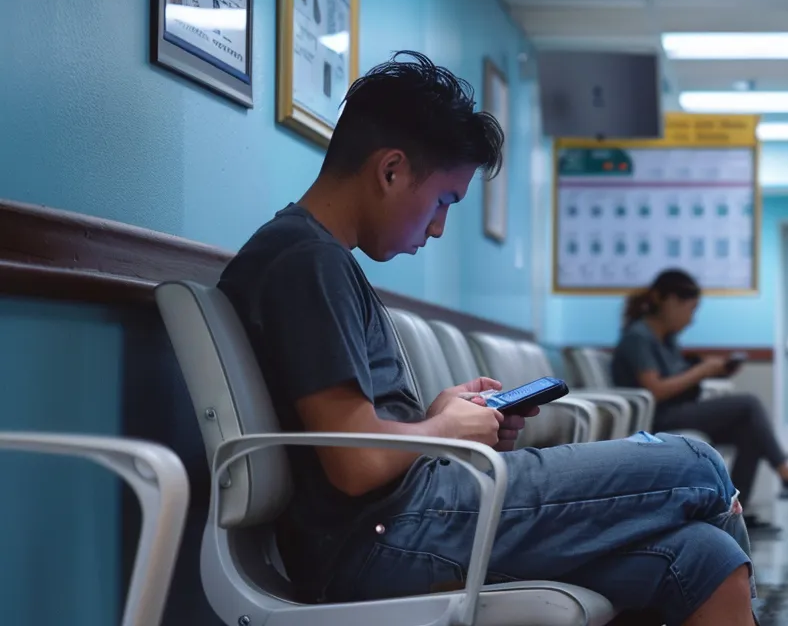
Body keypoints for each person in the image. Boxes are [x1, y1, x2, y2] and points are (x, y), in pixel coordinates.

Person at [217, 51, 756, 626]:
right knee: (697, 465)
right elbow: (356, 462)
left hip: (405, 519)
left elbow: (352, 437)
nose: (437, 226)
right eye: (443, 201)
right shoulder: (307, 263)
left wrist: (436, 416)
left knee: (704, 556)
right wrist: (445, 429)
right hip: (389, 533)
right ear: (390, 170)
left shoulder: (309, 258)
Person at [611, 269, 788, 531]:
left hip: (676, 410)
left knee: (749, 430)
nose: (691, 319)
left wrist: (711, 369)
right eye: (690, 309)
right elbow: (655, 390)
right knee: (748, 404)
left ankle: (733, 514)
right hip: (656, 417)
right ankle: (786, 474)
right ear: (669, 301)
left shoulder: (666, 340)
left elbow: (677, 378)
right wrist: (702, 371)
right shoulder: (639, 337)